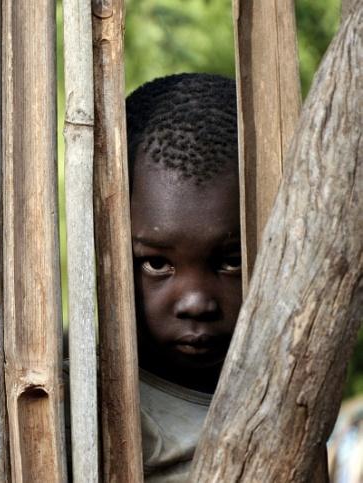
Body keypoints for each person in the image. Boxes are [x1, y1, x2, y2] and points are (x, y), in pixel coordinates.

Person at [126, 73, 241, 481]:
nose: (196, 302)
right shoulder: (86, 416)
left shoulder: (302, 397)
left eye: (230, 262)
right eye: (157, 265)